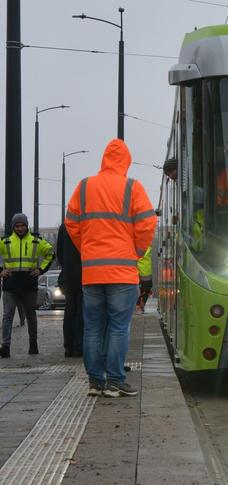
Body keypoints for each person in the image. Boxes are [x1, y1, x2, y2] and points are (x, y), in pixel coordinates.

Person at [65, 138, 157, 397]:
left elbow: (71, 222)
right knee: (118, 327)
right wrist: (136, 252)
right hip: (122, 271)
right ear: (126, 161)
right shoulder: (132, 187)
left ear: (103, 160)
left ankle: (96, 381)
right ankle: (116, 380)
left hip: (92, 271)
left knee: (92, 327)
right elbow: (148, 223)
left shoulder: (84, 187)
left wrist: (88, 248)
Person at [0, 213, 55, 357]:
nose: (20, 228)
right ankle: (5, 347)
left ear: (26, 225)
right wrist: (1, 271)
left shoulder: (36, 241)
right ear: (13, 227)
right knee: (7, 316)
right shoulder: (5, 241)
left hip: (29, 284)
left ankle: (33, 344)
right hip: (10, 285)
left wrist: (41, 270)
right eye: (17, 226)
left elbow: (51, 254)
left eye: (22, 225)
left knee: (31, 315)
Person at [56, 223, 83, 358]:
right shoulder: (87, 223)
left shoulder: (64, 226)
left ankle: (69, 347)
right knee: (81, 312)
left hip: (68, 275)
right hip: (85, 274)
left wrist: (67, 266)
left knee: (69, 312)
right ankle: (79, 346)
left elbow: (59, 253)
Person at [136, 247, 152, 314]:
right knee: (143, 289)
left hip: (145, 269)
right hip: (144, 269)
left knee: (145, 289)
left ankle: (140, 306)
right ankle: (138, 306)